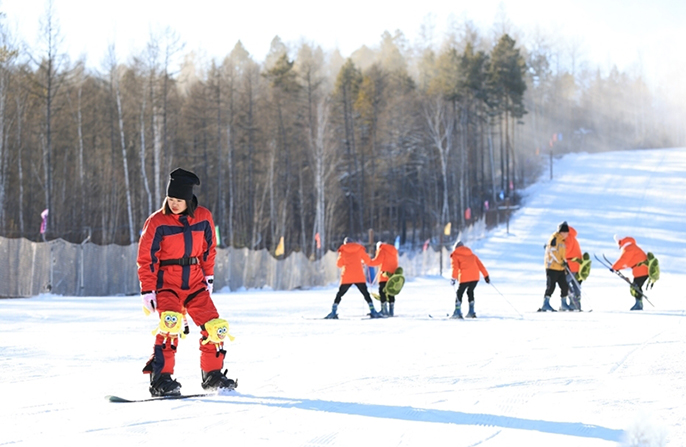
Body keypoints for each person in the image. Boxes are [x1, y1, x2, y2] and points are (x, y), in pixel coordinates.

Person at [137, 168, 236, 397]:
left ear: (189, 199)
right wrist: (148, 289)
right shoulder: (156, 222)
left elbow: (209, 249)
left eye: (179, 200)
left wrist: (208, 276)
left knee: (215, 327)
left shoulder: (203, 217)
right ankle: (161, 379)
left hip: (194, 281)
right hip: (167, 284)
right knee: (170, 326)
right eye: (170, 199)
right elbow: (146, 257)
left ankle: (213, 375)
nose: (174, 204)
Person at [325, 238, 382, 319]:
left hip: (347, 276)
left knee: (340, 294)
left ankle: (333, 311)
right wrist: (361, 262)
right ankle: (373, 310)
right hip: (359, 276)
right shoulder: (359, 249)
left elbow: (339, 264)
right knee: (365, 294)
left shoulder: (343, 250)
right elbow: (367, 260)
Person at [449, 240, 489, 319]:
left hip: (465, 277)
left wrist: (453, 278)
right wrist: (486, 276)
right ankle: (471, 311)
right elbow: (481, 266)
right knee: (470, 291)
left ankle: (457, 312)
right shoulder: (472, 255)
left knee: (459, 293)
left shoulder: (455, 254)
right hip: (475, 277)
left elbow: (455, 268)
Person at [611, 236, 649, 311]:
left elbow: (624, 260)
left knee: (635, 287)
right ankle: (638, 303)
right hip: (642, 270)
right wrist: (617, 267)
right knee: (636, 287)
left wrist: (614, 267)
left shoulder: (629, 248)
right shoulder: (633, 247)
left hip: (641, 271)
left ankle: (639, 304)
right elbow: (628, 263)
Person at [540, 221, 570, 312]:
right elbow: (553, 252)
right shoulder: (554, 239)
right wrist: (561, 262)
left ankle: (564, 304)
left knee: (564, 286)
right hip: (552, 266)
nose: (567, 234)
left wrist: (565, 263)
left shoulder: (563, 241)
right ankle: (545, 303)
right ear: (561, 232)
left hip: (560, 268)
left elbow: (562, 254)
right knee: (551, 285)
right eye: (565, 232)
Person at [369, 241, 400, 316]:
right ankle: (391, 310)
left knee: (382, 292)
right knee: (391, 292)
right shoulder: (393, 250)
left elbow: (377, 261)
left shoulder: (382, 250)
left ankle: (384, 310)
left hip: (384, 275)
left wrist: (368, 262)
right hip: (392, 275)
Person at [563, 226, 582, 311]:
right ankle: (577, 302)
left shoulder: (569, 238)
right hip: (576, 264)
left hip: (571, 264)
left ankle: (573, 301)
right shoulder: (572, 237)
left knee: (564, 282)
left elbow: (565, 251)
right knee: (575, 283)